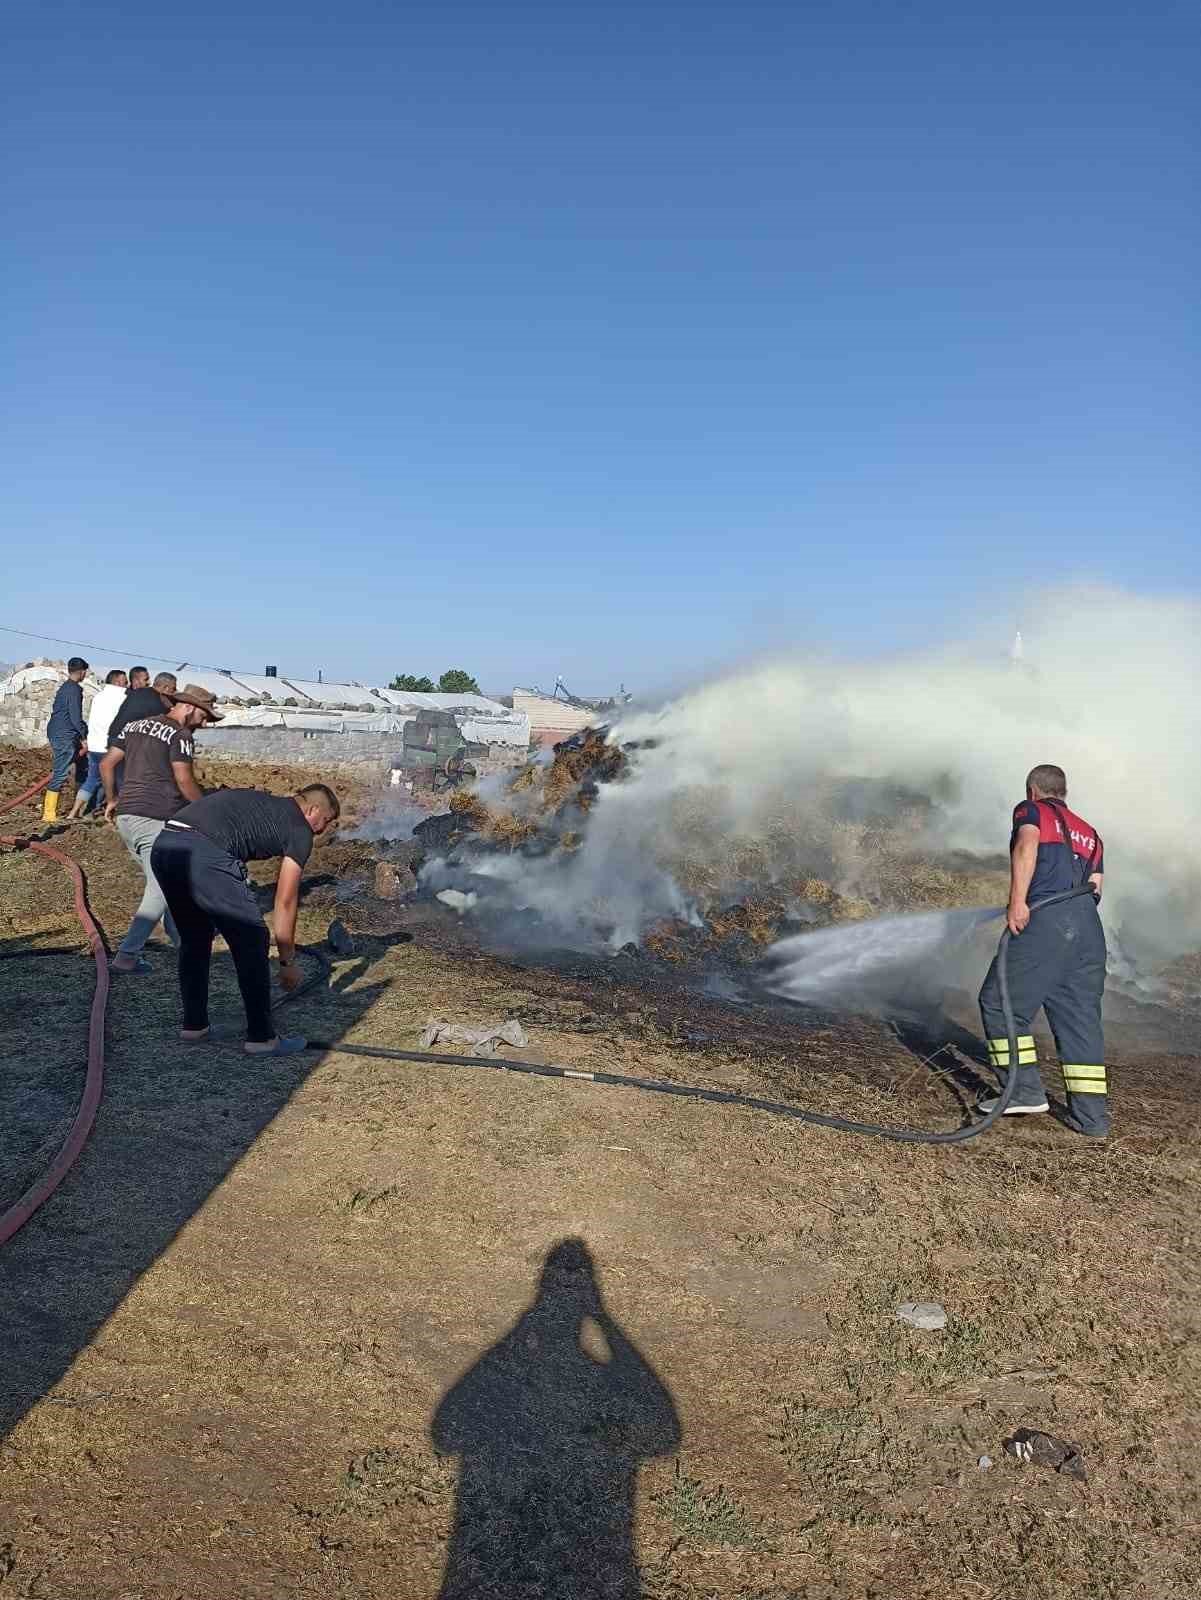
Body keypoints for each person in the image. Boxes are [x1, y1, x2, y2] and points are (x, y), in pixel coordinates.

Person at [151, 782, 340, 1057]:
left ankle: (194, 1025)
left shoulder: (265, 805)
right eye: (325, 821)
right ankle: (262, 1038)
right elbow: (285, 900)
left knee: (195, 936)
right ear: (312, 810)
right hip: (204, 850)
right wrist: (287, 962)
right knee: (253, 936)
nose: (323, 830)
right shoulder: (300, 829)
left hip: (166, 845)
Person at [977, 764, 1108, 1136]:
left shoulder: (1031, 810)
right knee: (1080, 1021)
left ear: (1034, 790)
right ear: (1063, 791)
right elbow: (1096, 887)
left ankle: (1022, 1091)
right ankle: (1091, 1118)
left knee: (1000, 1002)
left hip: (1049, 917)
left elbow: (1027, 844)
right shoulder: (1092, 835)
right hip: (1088, 931)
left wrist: (1018, 902)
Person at [99, 684, 221, 974]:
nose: (204, 724)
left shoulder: (134, 726)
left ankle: (182, 940)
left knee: (166, 883)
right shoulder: (180, 735)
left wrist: (113, 798)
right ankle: (127, 955)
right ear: (190, 707)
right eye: (204, 717)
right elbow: (184, 779)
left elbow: (106, 765)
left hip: (127, 818)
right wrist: (206, 812)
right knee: (162, 887)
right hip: (155, 819)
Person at [66, 668, 128, 819]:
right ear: (118, 681)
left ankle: (74, 812)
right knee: (118, 780)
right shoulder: (124, 698)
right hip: (112, 747)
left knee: (93, 778)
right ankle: (107, 812)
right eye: (125, 682)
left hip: (94, 746)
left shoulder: (98, 696)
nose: (127, 685)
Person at [42, 656, 90, 822]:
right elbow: (75, 716)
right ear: (82, 672)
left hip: (59, 732)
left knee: (82, 765)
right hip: (64, 735)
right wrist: (84, 737)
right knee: (60, 772)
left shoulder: (65, 687)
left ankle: (79, 808)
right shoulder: (74, 689)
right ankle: (48, 814)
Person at [106, 668, 176, 748]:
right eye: (173, 688)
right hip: (124, 744)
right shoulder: (158, 704)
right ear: (166, 688)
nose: (174, 692)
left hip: (113, 738)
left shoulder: (137, 693)